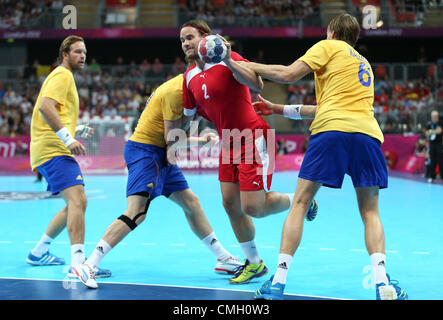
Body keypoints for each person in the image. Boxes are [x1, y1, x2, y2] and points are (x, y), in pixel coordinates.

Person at [243, 13, 408, 300]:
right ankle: (382, 283)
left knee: (301, 202)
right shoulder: (363, 63)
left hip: (331, 131)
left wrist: (243, 64)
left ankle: (278, 282)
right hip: (367, 134)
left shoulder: (327, 47)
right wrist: (278, 109)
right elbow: (324, 105)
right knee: (370, 212)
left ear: (331, 32)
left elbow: (287, 74)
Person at [179, 19, 318, 285]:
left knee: (253, 207)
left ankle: (301, 200)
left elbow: (258, 85)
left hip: (252, 136)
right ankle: (254, 263)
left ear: (206, 38)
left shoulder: (228, 60)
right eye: (182, 40)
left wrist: (229, 60)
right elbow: (186, 117)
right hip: (227, 141)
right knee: (230, 204)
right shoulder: (189, 78)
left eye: (190, 37)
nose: (186, 43)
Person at [74, 72, 243, 289]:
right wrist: (201, 142)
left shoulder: (189, 88)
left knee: (191, 203)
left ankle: (222, 258)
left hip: (160, 153)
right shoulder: (175, 92)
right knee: (137, 212)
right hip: (146, 153)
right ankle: (89, 264)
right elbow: (171, 140)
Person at [27, 35, 110, 280]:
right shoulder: (62, 75)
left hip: (51, 147)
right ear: (65, 54)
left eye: (84, 52)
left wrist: (75, 130)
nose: (82, 56)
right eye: (77, 52)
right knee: (78, 200)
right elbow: (45, 107)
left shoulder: (66, 77)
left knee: (77, 203)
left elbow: (54, 112)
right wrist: (68, 138)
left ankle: (38, 251)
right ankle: (78, 264)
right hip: (53, 149)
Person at [425, 110, 442, 183]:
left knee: (440, 160)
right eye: (433, 116)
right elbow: (426, 133)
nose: (434, 118)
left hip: (439, 144)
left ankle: (442, 176)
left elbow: (439, 131)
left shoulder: (440, 122)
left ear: (437, 116)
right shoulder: (429, 124)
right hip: (432, 144)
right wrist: (432, 131)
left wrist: (431, 131)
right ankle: (432, 176)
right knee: (432, 160)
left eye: (435, 116)